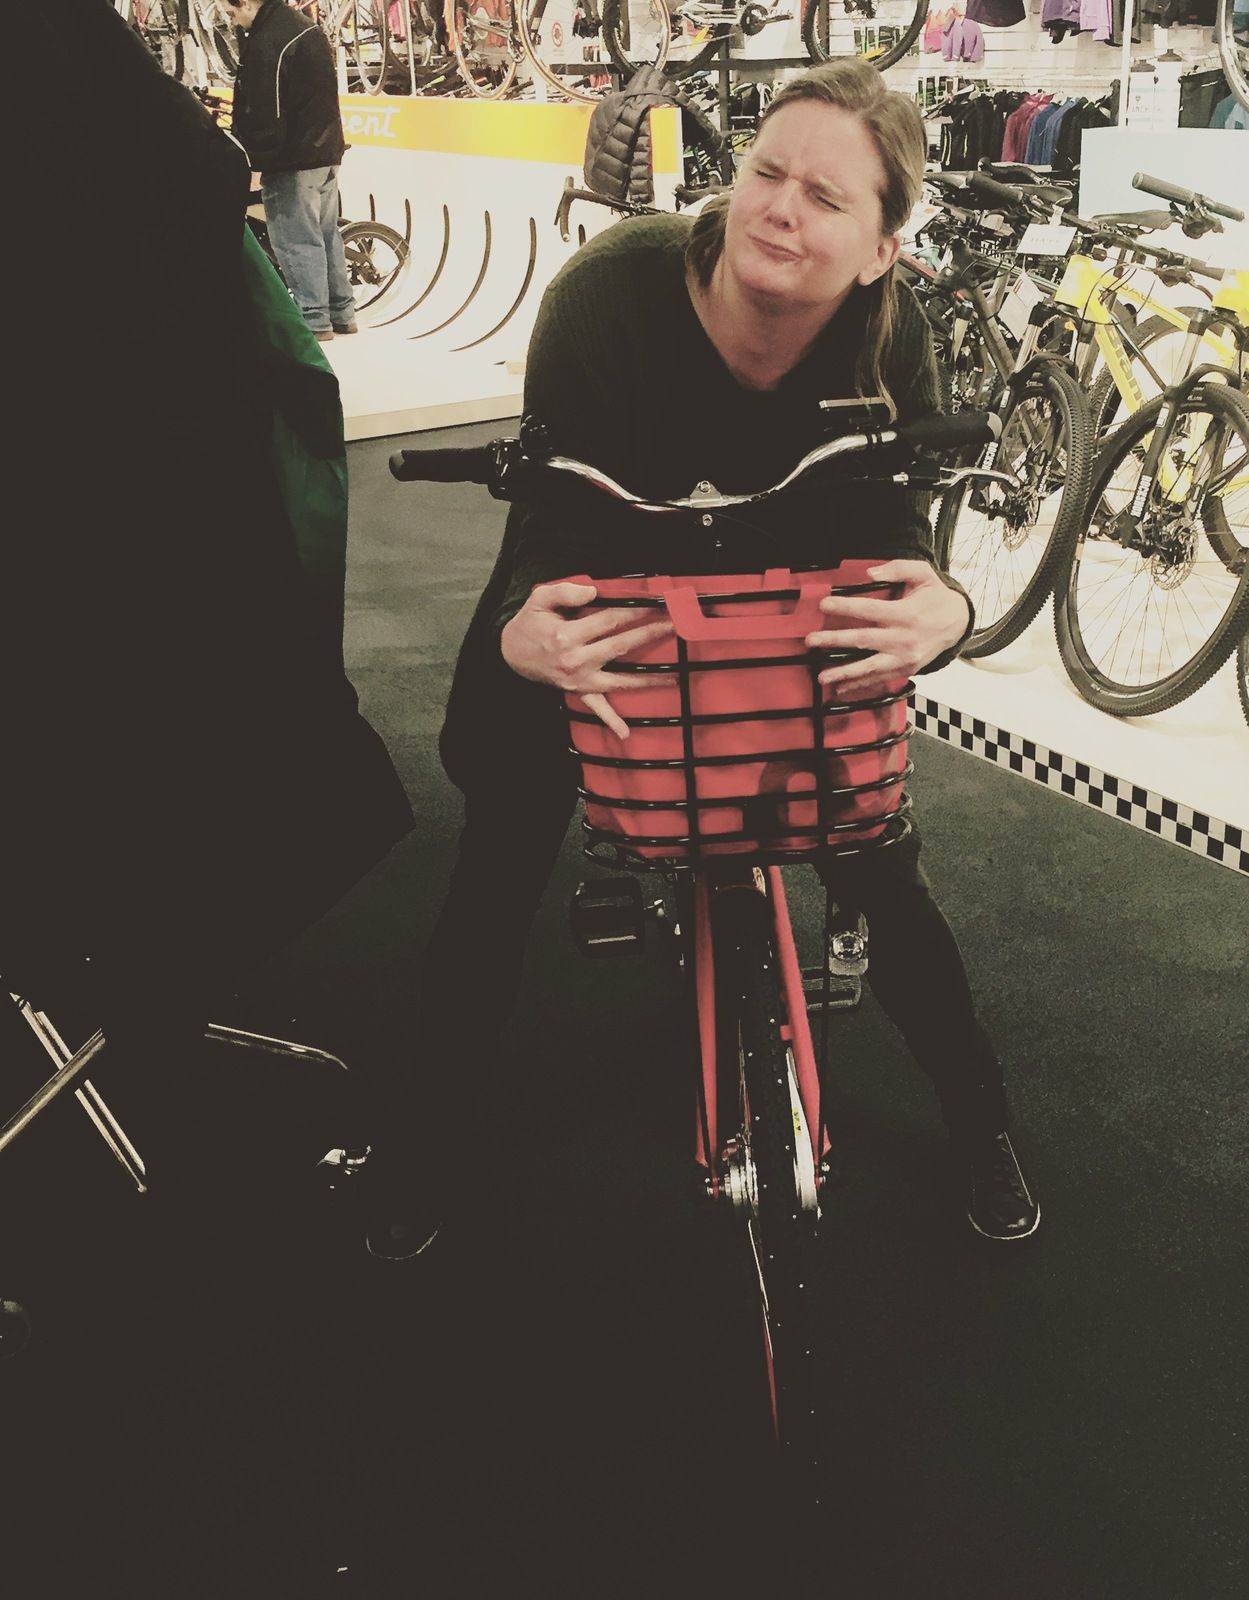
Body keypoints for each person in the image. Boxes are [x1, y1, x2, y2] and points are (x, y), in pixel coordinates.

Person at [368, 58, 1040, 1259]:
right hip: (606, 565)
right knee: (504, 842)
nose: (779, 208)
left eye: (826, 198)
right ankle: (423, 1139)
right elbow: (554, 507)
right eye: (766, 173)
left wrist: (945, 606)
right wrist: (527, 623)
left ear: (882, 249)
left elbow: (895, 530)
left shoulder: (890, 336)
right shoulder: (607, 294)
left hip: (786, 579)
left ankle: (981, 1117)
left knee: (878, 856)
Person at [222, 0, 358, 342]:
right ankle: (342, 313)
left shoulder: (269, 41)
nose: (230, 17)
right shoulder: (303, 27)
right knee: (326, 235)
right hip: (325, 150)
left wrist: (254, 159)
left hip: (291, 159)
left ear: (246, 2)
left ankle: (314, 319)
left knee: (297, 240)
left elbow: (268, 111)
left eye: (230, 9)